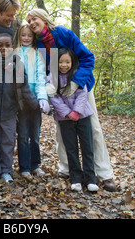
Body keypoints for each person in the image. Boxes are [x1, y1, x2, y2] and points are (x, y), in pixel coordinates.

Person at [26, 8, 117, 192]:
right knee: (62, 128)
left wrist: (76, 83)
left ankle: (104, 173)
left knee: (93, 129)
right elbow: (43, 69)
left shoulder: (63, 33)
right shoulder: (38, 44)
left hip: (80, 86)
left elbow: (87, 58)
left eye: (34, 18)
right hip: (57, 90)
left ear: (44, 18)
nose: (31, 23)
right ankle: (66, 168)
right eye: (28, 21)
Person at [0, 33, 39, 185]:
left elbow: (24, 88)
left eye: (7, 45)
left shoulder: (17, 65)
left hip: (10, 113)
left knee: (8, 143)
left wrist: (35, 104)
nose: (4, 48)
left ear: (12, 47)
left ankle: (6, 171)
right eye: (0, 45)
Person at [47, 48, 99, 192]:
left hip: (83, 116)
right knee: (71, 148)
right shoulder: (52, 78)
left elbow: (82, 93)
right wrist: (68, 112)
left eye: (67, 62)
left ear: (72, 62)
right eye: (61, 62)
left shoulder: (77, 75)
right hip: (64, 119)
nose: (64, 65)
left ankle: (90, 179)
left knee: (87, 147)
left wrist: (77, 111)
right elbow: (54, 98)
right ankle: (75, 178)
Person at [15, 23, 50, 178]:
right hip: (20, 102)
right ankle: (24, 167)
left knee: (34, 135)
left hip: (35, 101)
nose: (26, 38)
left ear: (33, 37)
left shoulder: (37, 53)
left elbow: (40, 76)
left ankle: (35, 164)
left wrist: (42, 97)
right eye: (23, 35)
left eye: (29, 35)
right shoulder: (14, 53)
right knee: (22, 135)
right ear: (19, 36)